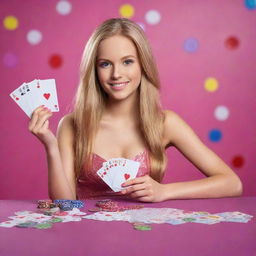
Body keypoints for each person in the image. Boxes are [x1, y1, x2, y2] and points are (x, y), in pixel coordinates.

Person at [28, 18, 242, 202]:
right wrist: (50, 146)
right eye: (105, 64)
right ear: (94, 70)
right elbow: (65, 204)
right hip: (89, 240)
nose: (116, 74)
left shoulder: (165, 123)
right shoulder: (72, 124)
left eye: (127, 62)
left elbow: (232, 184)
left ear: (143, 65)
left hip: (146, 236)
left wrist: (165, 191)